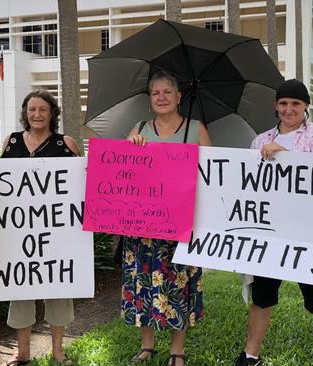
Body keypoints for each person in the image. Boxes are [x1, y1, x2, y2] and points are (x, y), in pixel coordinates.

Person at [235, 79, 313, 366]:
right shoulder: (259, 140)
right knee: (262, 298)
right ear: (276, 105)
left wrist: (284, 155)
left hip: (306, 234)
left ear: (305, 106)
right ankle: (251, 355)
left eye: (295, 103)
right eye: (283, 103)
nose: (289, 109)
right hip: (267, 233)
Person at [123, 71, 211, 366]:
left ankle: (177, 351)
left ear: (179, 97)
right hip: (142, 226)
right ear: (150, 100)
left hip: (180, 225)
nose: (161, 97)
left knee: (178, 285)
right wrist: (129, 147)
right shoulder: (138, 128)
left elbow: (212, 175)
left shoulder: (196, 129)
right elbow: (122, 173)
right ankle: (147, 346)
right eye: (155, 93)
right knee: (144, 283)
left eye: (167, 92)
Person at [0, 89, 81, 366]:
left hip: (58, 232)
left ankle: (58, 351)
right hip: (19, 232)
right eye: (31, 109)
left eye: (42, 109)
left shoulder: (66, 144)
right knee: (20, 289)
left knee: (58, 288)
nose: (36, 114)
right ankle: (22, 353)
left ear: (52, 114)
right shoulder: (10, 142)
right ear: (25, 113)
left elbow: (80, 184)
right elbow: (0, 185)